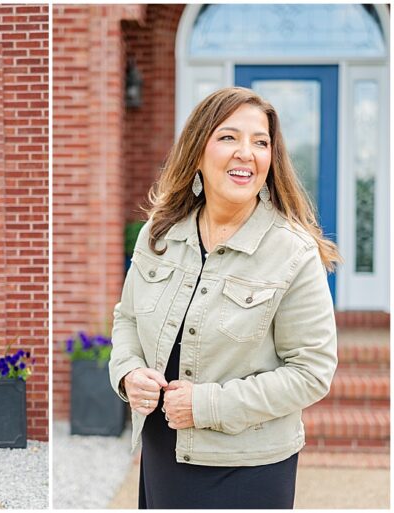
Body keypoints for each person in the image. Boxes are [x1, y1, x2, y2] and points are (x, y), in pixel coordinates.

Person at [108, 87, 340, 509]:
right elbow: (126, 319)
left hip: (248, 467)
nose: (246, 153)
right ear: (198, 151)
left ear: (271, 159)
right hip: (163, 453)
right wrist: (127, 372)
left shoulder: (293, 251)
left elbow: (311, 372)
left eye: (261, 142)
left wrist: (207, 405)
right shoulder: (157, 236)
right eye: (229, 137)